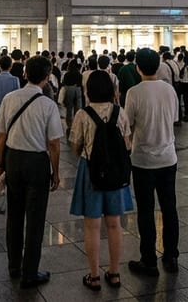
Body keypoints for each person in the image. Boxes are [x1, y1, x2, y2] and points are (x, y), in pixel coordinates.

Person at [0, 56, 63, 289]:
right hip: (36, 161)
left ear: (25, 74)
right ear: (47, 77)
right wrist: (56, 172)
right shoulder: (48, 105)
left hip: (13, 158)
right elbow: (54, 143)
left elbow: (1, 135)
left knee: (14, 214)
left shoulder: (10, 98)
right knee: (35, 218)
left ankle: (14, 265)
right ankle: (30, 272)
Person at [69, 71, 132, 291]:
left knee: (92, 225)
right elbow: (127, 144)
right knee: (114, 224)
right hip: (115, 172)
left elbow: (75, 147)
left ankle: (94, 276)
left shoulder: (82, 114)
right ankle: (114, 273)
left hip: (90, 172)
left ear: (88, 90)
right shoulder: (120, 112)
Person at [124, 48, 180, 278]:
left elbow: (128, 126)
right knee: (169, 208)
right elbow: (174, 119)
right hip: (168, 157)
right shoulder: (169, 90)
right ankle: (171, 256)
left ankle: (149, 260)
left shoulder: (134, 93)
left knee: (146, 211)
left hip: (143, 160)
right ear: (158, 66)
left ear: (138, 67)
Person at [60, 60, 84, 127]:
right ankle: (77, 123)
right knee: (78, 107)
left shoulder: (67, 74)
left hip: (69, 89)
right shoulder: (79, 74)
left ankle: (69, 124)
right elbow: (81, 83)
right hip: (77, 90)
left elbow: (64, 82)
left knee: (69, 108)